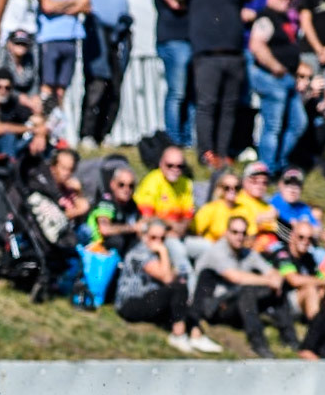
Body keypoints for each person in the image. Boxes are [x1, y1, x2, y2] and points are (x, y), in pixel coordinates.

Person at [165, 0, 255, 169]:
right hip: (205, 55)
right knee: (206, 105)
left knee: (229, 106)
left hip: (233, 54)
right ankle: (206, 152)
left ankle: (223, 152)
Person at [191, 214, 294, 357]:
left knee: (276, 290)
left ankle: (290, 339)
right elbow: (236, 277)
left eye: (243, 233)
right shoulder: (217, 251)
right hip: (216, 306)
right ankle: (258, 343)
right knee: (248, 291)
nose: (239, 236)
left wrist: (276, 280)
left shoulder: (247, 253)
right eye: (235, 232)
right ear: (226, 232)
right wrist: (269, 281)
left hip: (238, 302)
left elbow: (272, 271)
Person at [116, 217, 219, 353]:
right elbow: (167, 278)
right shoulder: (139, 253)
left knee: (181, 288)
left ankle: (196, 334)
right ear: (144, 236)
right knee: (177, 287)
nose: (158, 242)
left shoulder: (156, 253)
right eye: (153, 237)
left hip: (151, 299)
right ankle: (178, 334)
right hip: (131, 303)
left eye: (162, 238)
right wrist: (163, 251)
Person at [73, 0, 130, 146]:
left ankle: (103, 133)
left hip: (119, 33)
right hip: (97, 30)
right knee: (97, 82)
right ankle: (87, 133)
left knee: (115, 86)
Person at [248, 0, 307, 178]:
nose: (285, 0)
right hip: (272, 78)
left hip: (287, 79)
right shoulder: (266, 17)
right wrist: (276, 67)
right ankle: (267, 169)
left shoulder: (283, 19)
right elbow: (256, 45)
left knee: (298, 123)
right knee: (272, 127)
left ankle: (279, 162)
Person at [34, 0, 88, 112]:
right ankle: (43, 128)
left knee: (61, 90)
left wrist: (61, 5)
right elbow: (47, 6)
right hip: (49, 37)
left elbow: (86, 5)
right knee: (47, 87)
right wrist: (73, 1)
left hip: (71, 37)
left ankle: (57, 132)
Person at [152, 0, 194, 147]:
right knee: (177, 92)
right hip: (173, 41)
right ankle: (173, 139)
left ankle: (187, 140)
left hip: (191, 41)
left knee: (189, 93)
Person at [134, 145, 193, 232]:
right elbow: (146, 218)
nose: (175, 169)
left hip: (179, 231)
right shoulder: (152, 182)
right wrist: (171, 224)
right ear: (161, 164)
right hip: (156, 231)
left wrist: (181, 228)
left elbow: (188, 215)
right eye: (170, 165)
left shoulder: (186, 183)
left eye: (179, 166)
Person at [0, 29, 41, 108]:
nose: (21, 46)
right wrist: (20, 97)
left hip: (24, 98)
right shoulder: (2, 57)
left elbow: (35, 81)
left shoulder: (30, 59)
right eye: (17, 43)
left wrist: (34, 97)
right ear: (9, 44)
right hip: (1, 94)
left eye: (24, 44)